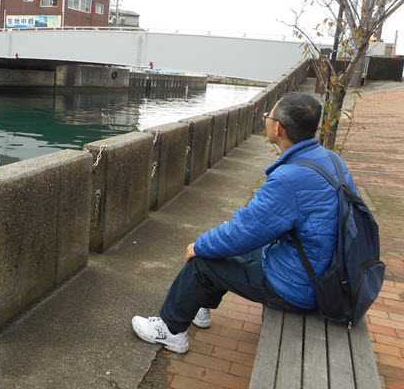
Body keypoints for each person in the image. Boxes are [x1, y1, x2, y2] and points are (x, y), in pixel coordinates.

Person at [131, 92, 358, 354]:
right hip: (326, 272)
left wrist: (199, 246)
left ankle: (171, 330)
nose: (266, 121)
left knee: (203, 260)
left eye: (268, 117)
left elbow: (244, 231)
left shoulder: (289, 179)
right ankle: (199, 305)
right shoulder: (330, 159)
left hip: (299, 288)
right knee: (229, 250)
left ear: (278, 128)